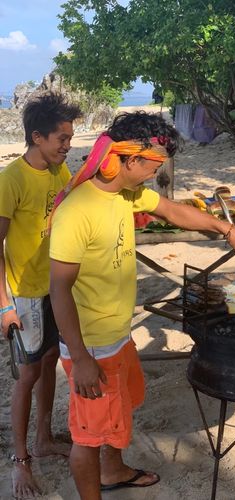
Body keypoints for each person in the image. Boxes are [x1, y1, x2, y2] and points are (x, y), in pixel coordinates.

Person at [49, 111, 235, 500]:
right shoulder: (78, 211)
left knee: (118, 411)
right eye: (154, 164)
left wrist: (227, 228)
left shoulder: (125, 194)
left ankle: (114, 470)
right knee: (87, 437)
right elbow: (59, 290)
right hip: (91, 345)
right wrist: (81, 357)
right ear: (128, 158)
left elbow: (173, 211)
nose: (156, 172)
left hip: (116, 334)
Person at [0, 91, 82, 498]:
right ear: (37, 136)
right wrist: (3, 306)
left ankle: (44, 438)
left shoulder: (58, 170)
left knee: (50, 361)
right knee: (28, 374)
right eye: (62, 139)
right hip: (25, 293)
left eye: (69, 138)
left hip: (55, 286)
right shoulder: (11, 179)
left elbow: (68, 206)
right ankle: (20, 460)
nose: (67, 146)